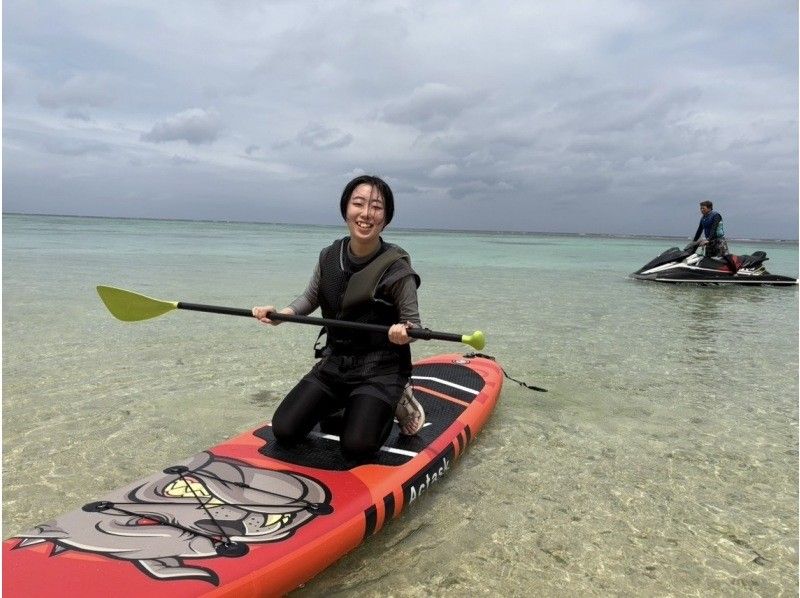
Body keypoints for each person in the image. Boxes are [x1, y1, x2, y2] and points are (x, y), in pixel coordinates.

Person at [252, 175, 426, 464]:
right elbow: (310, 298)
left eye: (376, 207)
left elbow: (414, 324)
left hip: (380, 369)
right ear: (346, 209)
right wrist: (283, 314)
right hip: (335, 364)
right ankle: (348, 404)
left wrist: (404, 332)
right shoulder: (329, 256)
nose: (366, 214)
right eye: (358, 204)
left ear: (386, 217)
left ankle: (398, 398)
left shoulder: (397, 268)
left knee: (356, 447)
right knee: (285, 430)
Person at [692, 200, 738, 274]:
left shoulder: (716, 215)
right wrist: (694, 242)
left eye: (703, 208)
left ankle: (735, 273)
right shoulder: (703, 218)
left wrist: (708, 239)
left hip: (719, 240)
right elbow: (699, 230)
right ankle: (710, 275)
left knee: (726, 257)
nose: (701, 210)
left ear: (709, 208)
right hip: (709, 241)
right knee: (708, 260)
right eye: (700, 208)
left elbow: (714, 228)